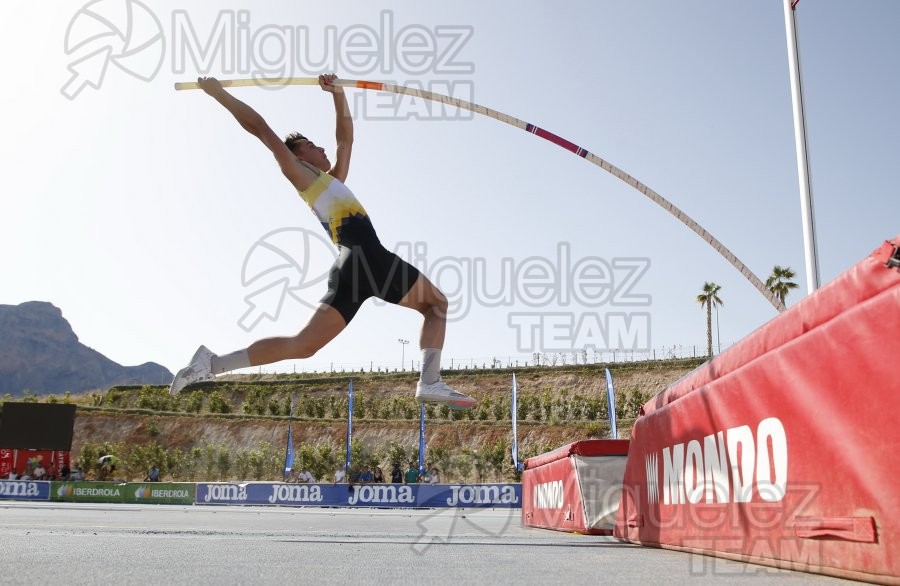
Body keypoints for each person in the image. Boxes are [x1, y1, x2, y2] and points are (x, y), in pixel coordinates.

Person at [168, 74, 475, 412]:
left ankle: (209, 364)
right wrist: (218, 94)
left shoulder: (331, 182)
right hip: (366, 258)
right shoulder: (301, 176)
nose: (322, 148)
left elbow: (345, 140)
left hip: (354, 271)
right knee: (436, 305)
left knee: (304, 345)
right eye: (312, 146)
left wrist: (337, 94)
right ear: (298, 156)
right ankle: (429, 381)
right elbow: (260, 129)